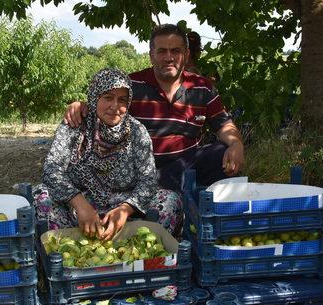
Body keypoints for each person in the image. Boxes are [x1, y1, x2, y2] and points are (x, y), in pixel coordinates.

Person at [64, 24, 244, 193]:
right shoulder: (131, 85)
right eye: (162, 51)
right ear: (151, 55)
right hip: (139, 169)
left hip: (185, 166)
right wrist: (82, 106)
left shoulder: (202, 87)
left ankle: (194, 209)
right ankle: (161, 200)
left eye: (175, 51)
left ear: (186, 54)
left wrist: (236, 144)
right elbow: (106, 108)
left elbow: (223, 124)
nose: (169, 57)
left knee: (221, 153)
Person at [34, 68, 182, 240]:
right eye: (108, 97)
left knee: (169, 200)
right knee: (41, 197)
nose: (115, 106)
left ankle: (134, 248)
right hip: (76, 211)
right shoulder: (74, 125)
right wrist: (81, 206)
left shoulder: (136, 131)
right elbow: (52, 170)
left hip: (125, 213)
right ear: (95, 97)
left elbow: (147, 180)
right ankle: (69, 250)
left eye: (122, 100)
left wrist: (125, 209)